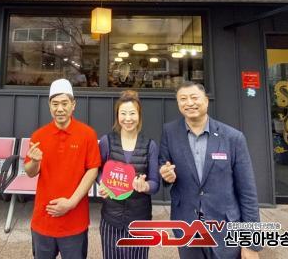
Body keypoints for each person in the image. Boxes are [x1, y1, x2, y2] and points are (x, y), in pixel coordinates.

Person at [159, 81, 261, 259]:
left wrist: (251, 242)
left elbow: (248, 192)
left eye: (194, 97)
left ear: (206, 101)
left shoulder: (233, 137)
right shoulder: (170, 132)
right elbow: (163, 165)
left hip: (225, 228)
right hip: (187, 226)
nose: (189, 103)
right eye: (183, 99)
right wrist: (166, 175)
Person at [24, 78, 101, 259]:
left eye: (65, 103)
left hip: (75, 219)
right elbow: (30, 172)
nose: (60, 109)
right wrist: (34, 161)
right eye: (55, 104)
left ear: (73, 105)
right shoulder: (39, 135)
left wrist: (72, 202)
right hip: (44, 218)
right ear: (49, 106)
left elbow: (92, 170)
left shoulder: (87, 134)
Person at [98, 90, 159, 259]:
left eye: (132, 113)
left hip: (140, 219)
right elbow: (97, 170)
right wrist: (102, 182)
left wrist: (145, 186)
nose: (128, 118)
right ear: (117, 116)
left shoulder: (150, 145)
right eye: (123, 113)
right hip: (111, 217)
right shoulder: (107, 141)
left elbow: (155, 183)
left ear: (139, 115)